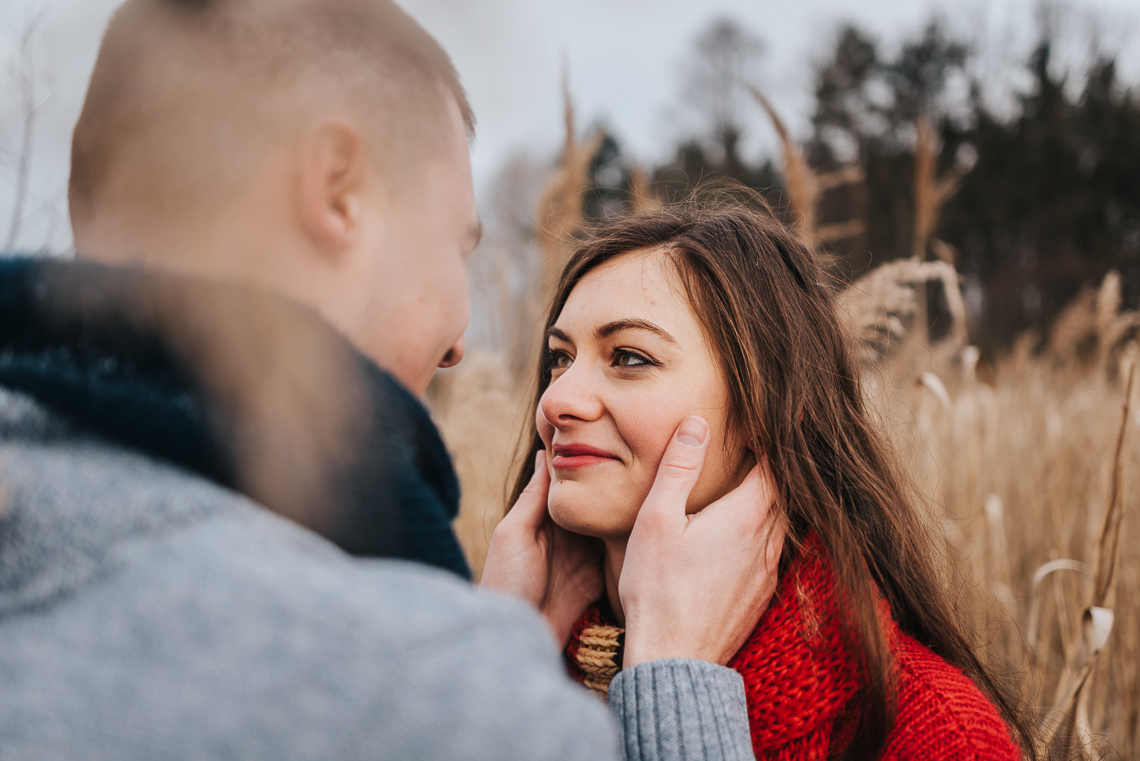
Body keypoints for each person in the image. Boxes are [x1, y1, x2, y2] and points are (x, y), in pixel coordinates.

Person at [0, 1, 782, 759]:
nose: (457, 347)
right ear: (336, 188)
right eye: (455, 245)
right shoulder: (425, 683)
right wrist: (654, 682)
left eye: (631, 356)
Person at [506, 197, 1036, 760]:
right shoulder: (519, 674)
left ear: (767, 411)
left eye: (630, 357)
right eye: (559, 359)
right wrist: (492, 667)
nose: (557, 399)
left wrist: (672, 685)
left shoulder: (932, 733)